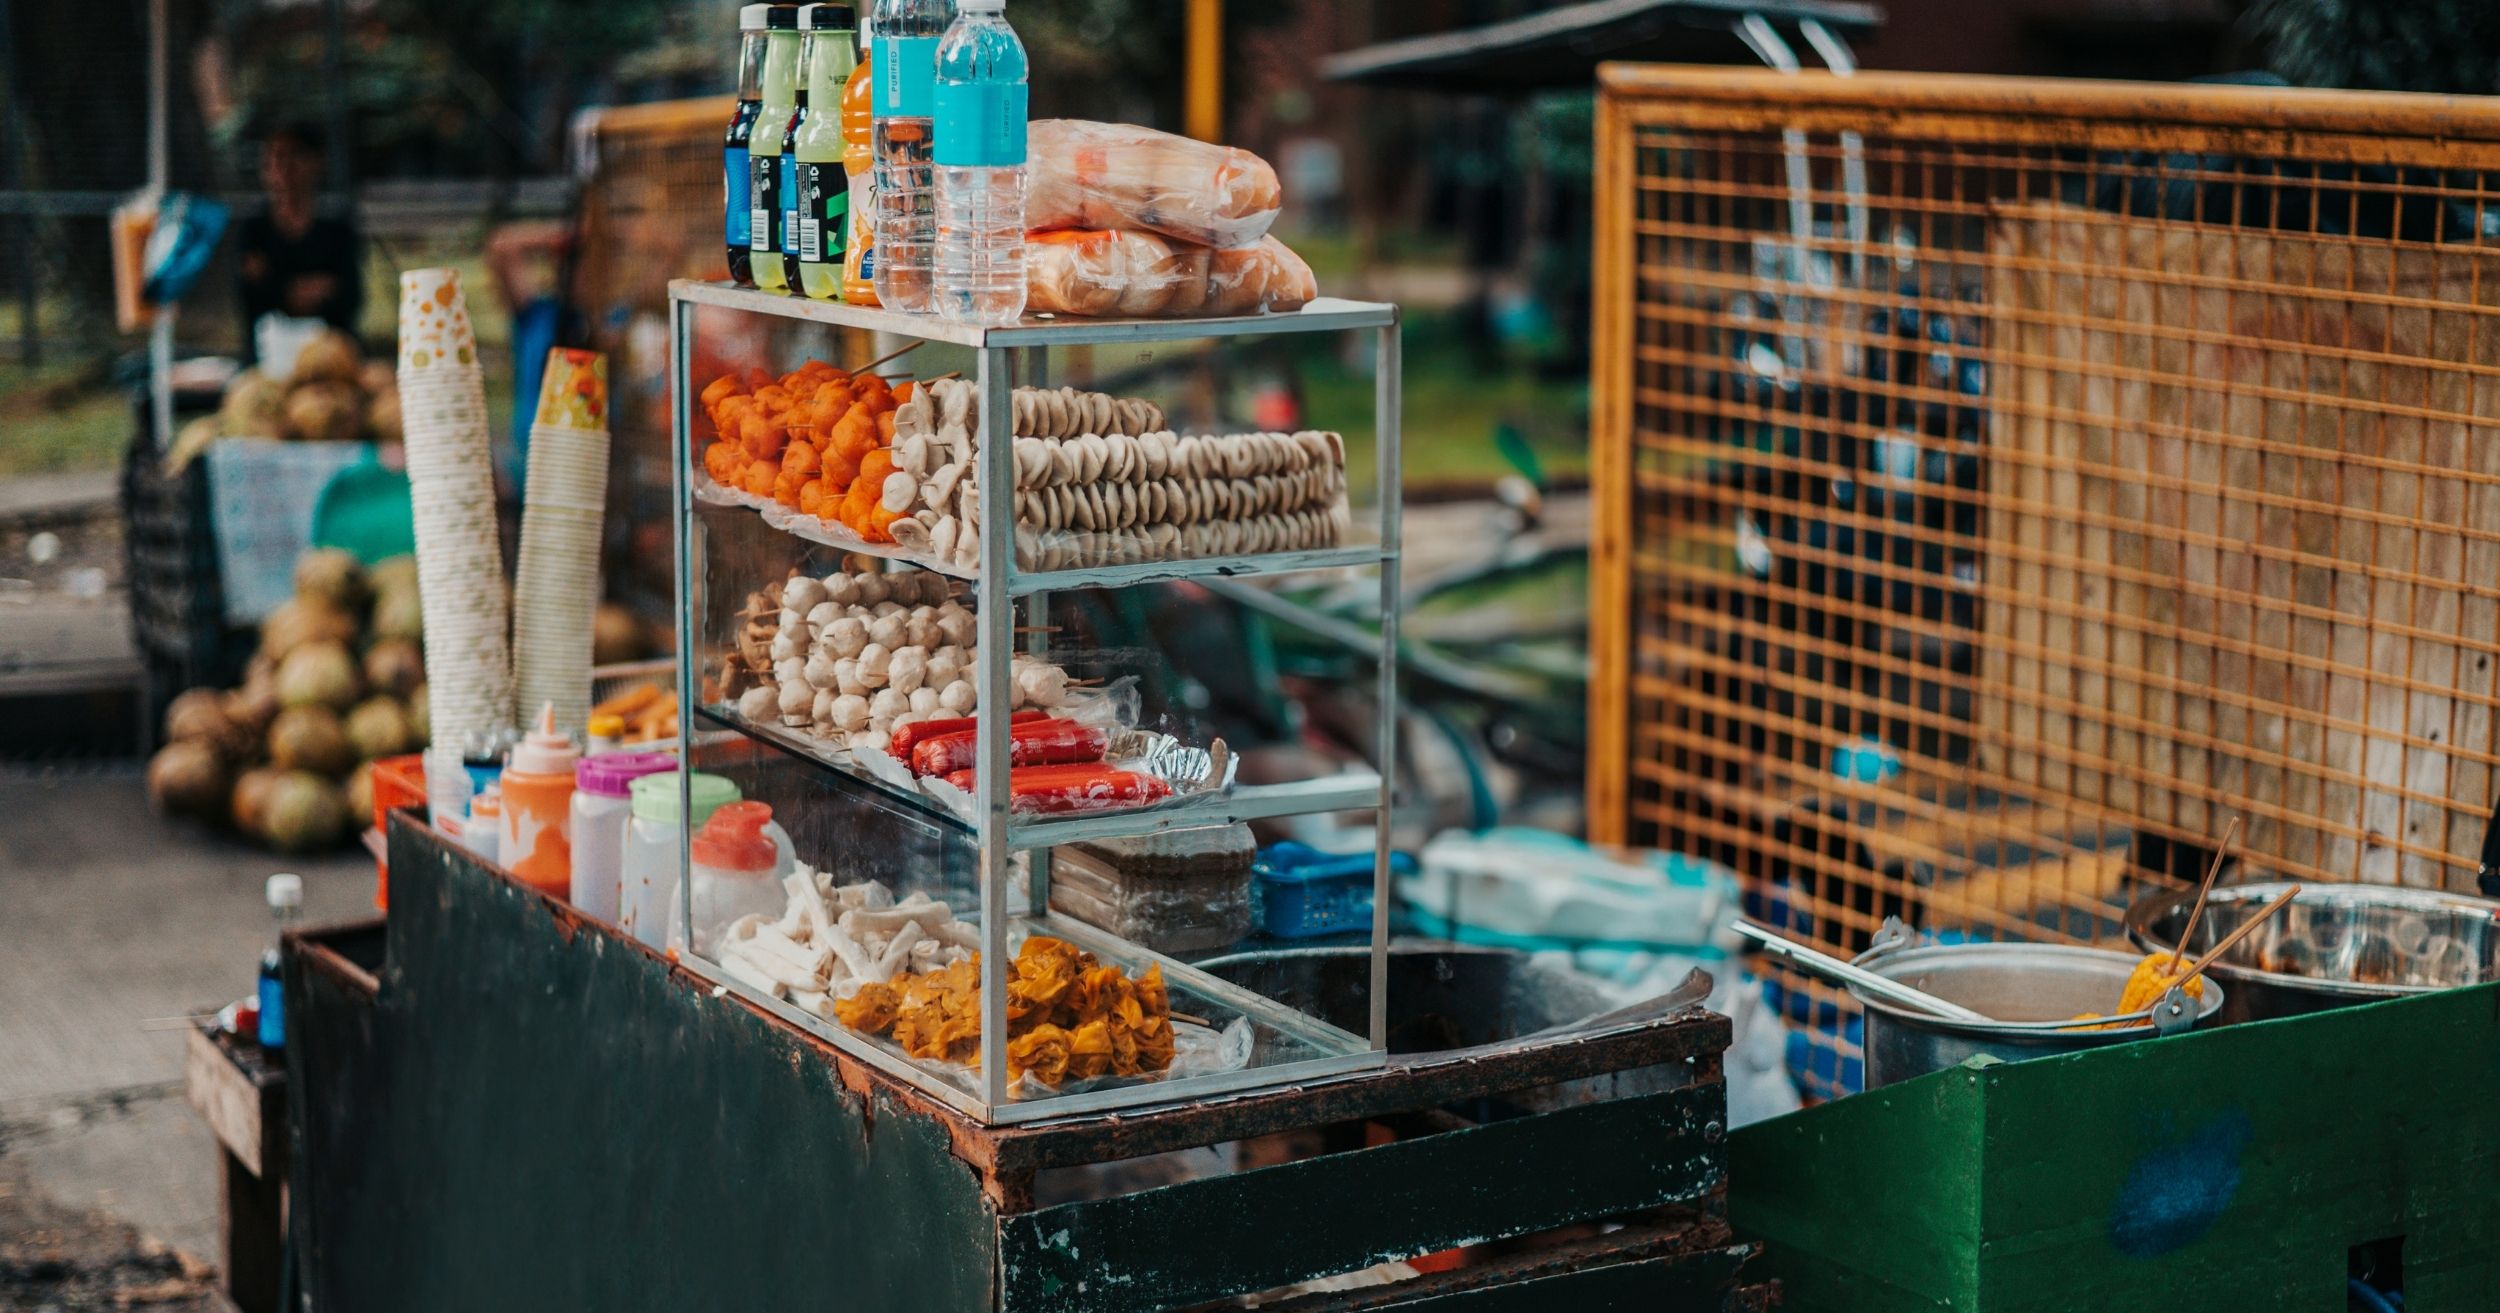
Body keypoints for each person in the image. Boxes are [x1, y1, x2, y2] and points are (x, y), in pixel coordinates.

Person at [236, 122, 363, 364]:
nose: (284, 167)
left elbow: (349, 294)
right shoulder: (253, 228)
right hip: (267, 354)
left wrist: (277, 283)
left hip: (331, 353)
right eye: (276, 157)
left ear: (317, 161)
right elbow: (251, 295)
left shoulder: (337, 226)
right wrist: (296, 291)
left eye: (295, 156)